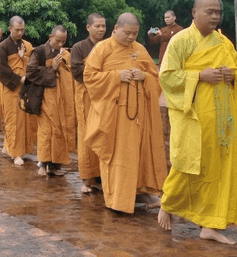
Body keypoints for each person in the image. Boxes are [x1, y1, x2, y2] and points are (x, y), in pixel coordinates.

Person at [157, 0, 237, 245]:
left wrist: (232, 76)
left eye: (218, 12)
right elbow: (166, 77)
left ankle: (210, 224)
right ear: (194, 13)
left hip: (220, 120)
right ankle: (168, 203)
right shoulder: (181, 41)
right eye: (210, 12)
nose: (215, 17)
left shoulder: (223, 41)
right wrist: (199, 75)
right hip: (192, 117)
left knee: (217, 170)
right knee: (187, 164)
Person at [84, 12, 167, 214]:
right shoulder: (102, 49)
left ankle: (140, 191)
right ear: (115, 29)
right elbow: (89, 77)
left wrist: (143, 77)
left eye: (135, 34)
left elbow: (157, 79)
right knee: (116, 156)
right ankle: (117, 199)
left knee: (138, 156)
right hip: (113, 116)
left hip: (138, 116)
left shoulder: (140, 49)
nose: (131, 37)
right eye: (127, 33)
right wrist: (116, 76)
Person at [27, 25, 75, 176]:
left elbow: (70, 74)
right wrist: (51, 69)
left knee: (60, 129)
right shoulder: (40, 52)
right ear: (50, 37)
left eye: (63, 41)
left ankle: (55, 165)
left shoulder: (65, 54)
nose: (60, 45)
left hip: (62, 99)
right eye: (57, 41)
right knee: (46, 131)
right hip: (45, 95)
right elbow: (31, 73)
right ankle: (43, 162)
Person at [71, 13, 107, 193]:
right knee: (86, 135)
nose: (101, 29)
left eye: (103, 26)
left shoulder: (108, 46)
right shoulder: (79, 47)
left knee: (102, 133)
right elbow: (76, 71)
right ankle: (86, 179)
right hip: (85, 95)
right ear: (88, 28)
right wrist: (96, 69)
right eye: (97, 26)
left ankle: (100, 176)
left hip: (103, 97)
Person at [0, 16, 36, 161]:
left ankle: (9, 146)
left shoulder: (27, 45)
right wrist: (19, 79)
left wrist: (23, 58)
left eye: (22, 30)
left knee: (24, 120)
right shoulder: (3, 46)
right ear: (10, 29)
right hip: (11, 87)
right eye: (17, 30)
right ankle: (15, 153)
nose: (20, 33)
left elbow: (33, 64)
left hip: (25, 88)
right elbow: (1, 69)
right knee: (13, 119)